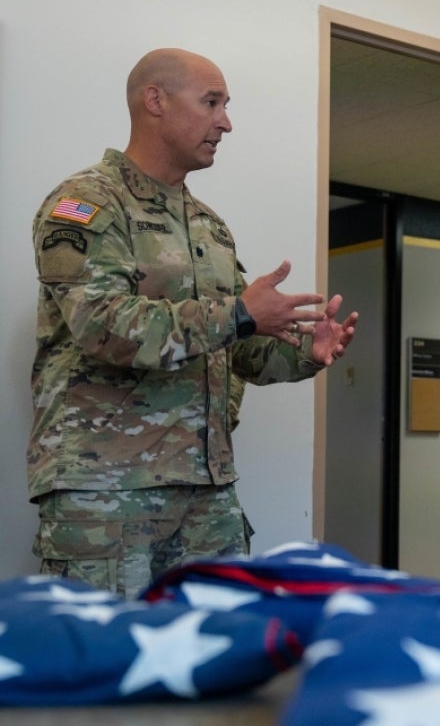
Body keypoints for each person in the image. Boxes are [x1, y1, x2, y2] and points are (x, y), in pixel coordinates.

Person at [28, 48, 357, 599]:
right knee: (110, 669)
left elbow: (237, 346)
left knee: (218, 661)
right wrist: (241, 313)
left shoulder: (209, 226)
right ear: (155, 100)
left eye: (226, 105)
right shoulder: (85, 203)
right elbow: (102, 326)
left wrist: (304, 351)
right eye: (212, 103)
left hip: (207, 493)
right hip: (108, 493)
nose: (225, 122)